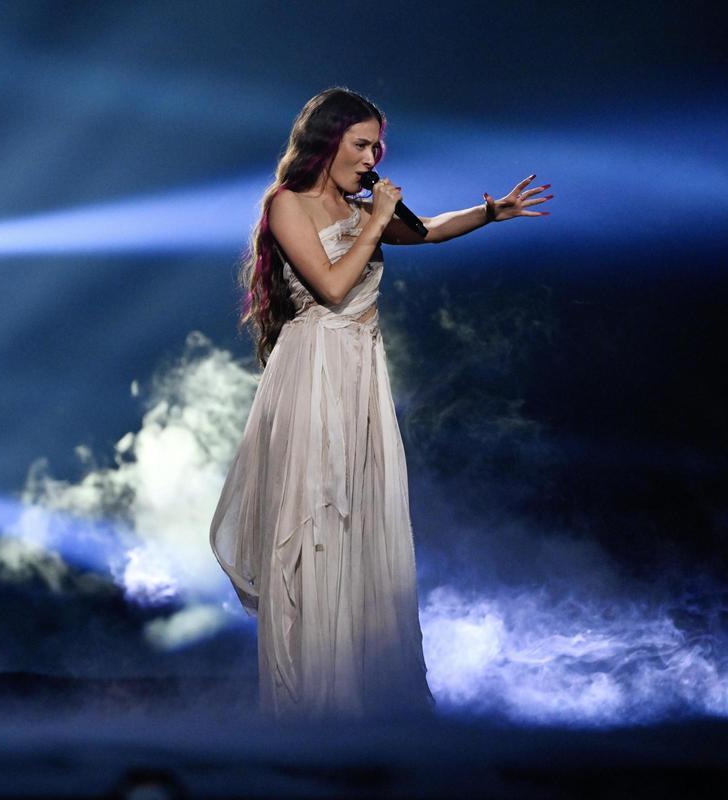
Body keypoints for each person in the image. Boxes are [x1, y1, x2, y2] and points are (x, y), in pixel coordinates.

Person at [208, 87, 551, 721]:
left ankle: (360, 699)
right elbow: (334, 287)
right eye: (361, 144)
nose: (372, 158)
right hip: (314, 370)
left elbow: (428, 231)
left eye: (376, 146)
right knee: (315, 520)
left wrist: (491, 214)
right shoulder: (288, 205)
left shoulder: (359, 204)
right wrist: (372, 219)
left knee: (361, 519)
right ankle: (310, 702)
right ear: (326, 141)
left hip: (360, 370)